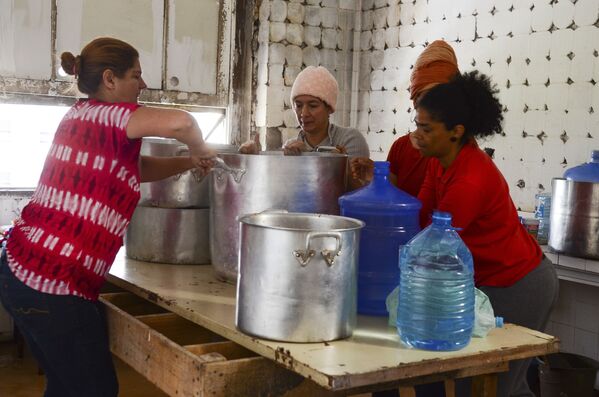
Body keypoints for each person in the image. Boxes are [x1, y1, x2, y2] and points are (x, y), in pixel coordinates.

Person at [0, 37, 215, 397]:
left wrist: (186, 162)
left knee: (67, 385)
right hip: (53, 282)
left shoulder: (79, 115)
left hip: (19, 268)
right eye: (137, 75)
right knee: (94, 389)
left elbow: (133, 168)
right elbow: (182, 124)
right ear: (110, 79)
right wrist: (201, 147)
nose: (143, 84)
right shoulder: (115, 116)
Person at [413, 71, 559, 397]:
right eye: (417, 125)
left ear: (456, 132)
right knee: (503, 385)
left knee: (490, 385)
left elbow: (434, 244)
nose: (417, 135)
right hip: (490, 280)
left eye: (426, 129)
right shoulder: (440, 162)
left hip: (518, 284)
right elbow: (419, 216)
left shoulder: (470, 179)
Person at [351, 40, 459, 196]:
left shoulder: (456, 148)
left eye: (440, 97)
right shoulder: (400, 147)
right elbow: (394, 197)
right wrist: (375, 176)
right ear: (415, 100)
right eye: (426, 97)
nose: (433, 105)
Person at [239, 66, 370, 158]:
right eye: (298, 105)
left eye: (313, 105)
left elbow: (358, 188)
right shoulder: (291, 147)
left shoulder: (350, 140)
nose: (304, 113)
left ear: (329, 108)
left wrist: (309, 157)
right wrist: (254, 159)